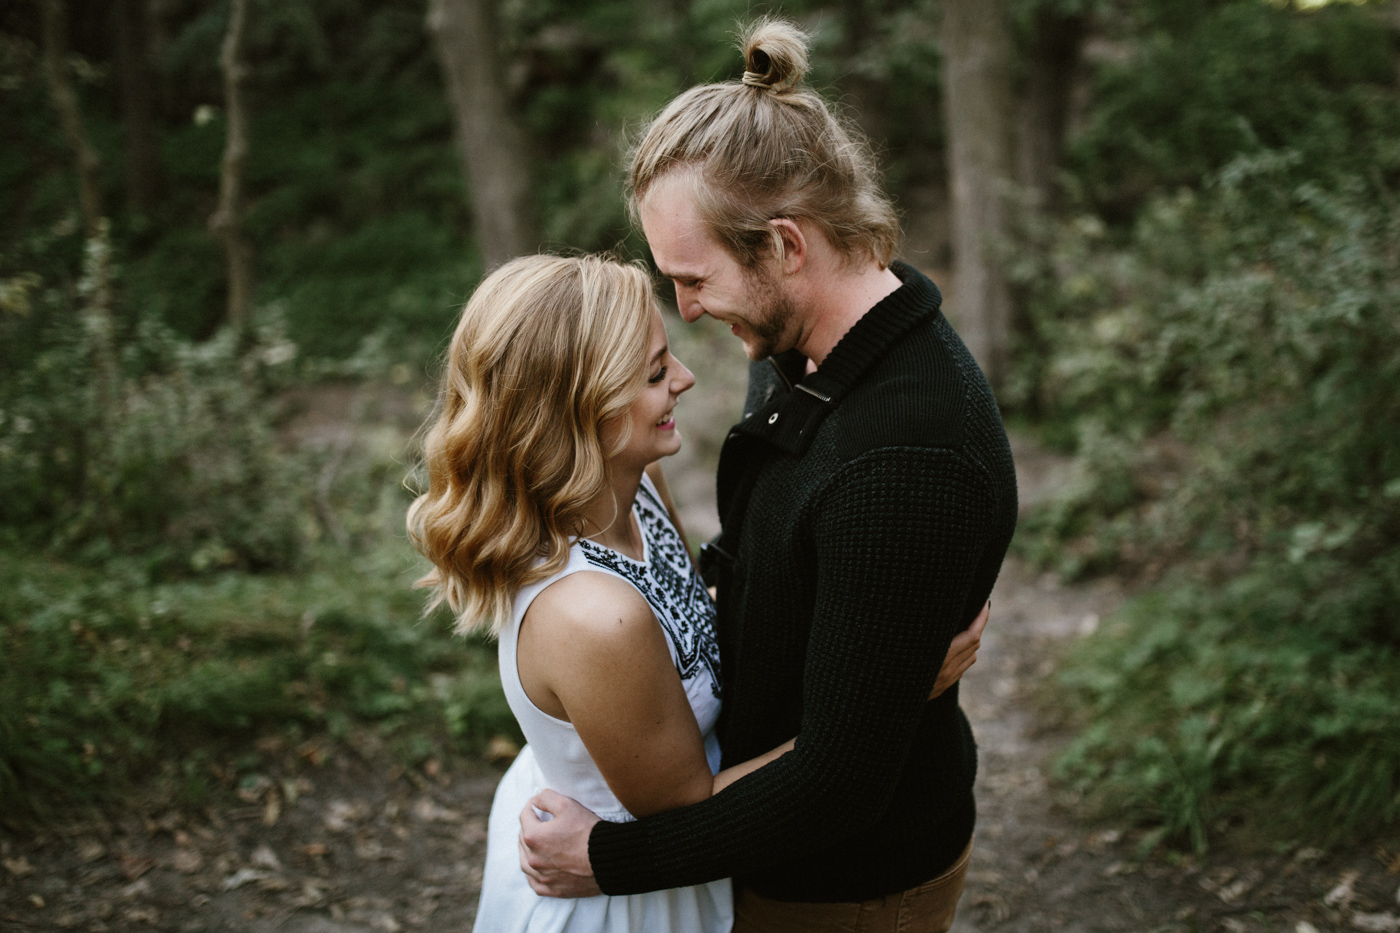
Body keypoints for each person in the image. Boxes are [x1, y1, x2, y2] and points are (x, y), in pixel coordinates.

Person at [517, 18, 1018, 933]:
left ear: (785, 245)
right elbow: (774, 553)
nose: (686, 311)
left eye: (695, 279)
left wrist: (607, 858)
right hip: (751, 842)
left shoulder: (906, 462)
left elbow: (838, 784)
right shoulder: (803, 346)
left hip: (846, 883)